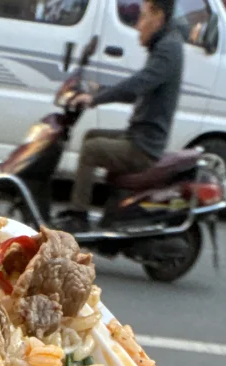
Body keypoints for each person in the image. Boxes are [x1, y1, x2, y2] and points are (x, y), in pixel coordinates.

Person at [67, 0, 184, 217]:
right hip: (138, 135)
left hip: (144, 146)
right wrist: (99, 90)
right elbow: (137, 89)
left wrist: (95, 99)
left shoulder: (168, 49)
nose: (138, 25)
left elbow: (137, 85)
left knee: (92, 150)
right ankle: (111, 205)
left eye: (143, 16)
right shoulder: (166, 44)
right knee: (91, 136)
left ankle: (78, 215)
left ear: (158, 17)